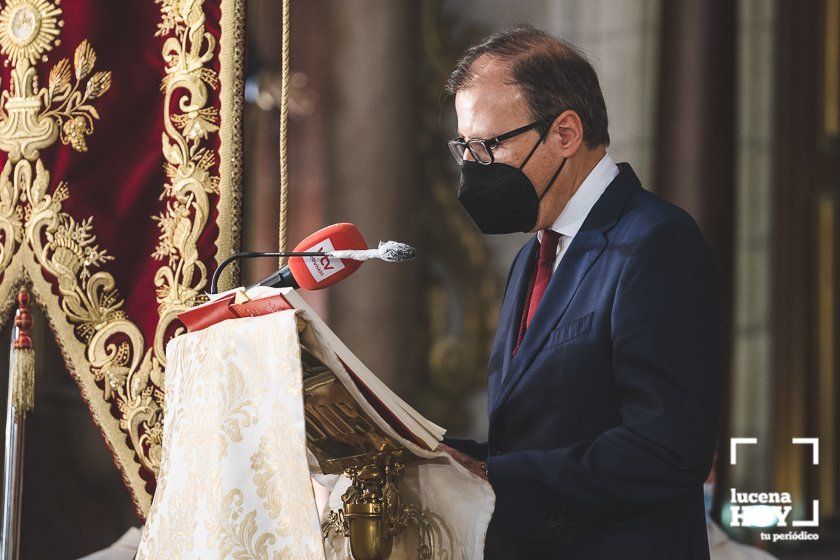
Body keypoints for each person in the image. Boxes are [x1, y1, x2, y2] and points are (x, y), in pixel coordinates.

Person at [440, 25, 720, 559]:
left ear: (565, 134)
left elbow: (665, 449)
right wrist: (438, 459)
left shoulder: (656, 241)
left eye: (488, 146)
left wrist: (492, 476)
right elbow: (536, 439)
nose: (472, 169)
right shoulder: (532, 255)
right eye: (464, 147)